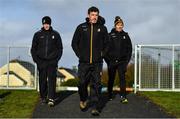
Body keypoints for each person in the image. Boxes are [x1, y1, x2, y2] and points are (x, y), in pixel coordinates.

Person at [71, 6, 109, 116]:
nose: (94, 17)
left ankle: (95, 107)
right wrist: (80, 55)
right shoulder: (81, 27)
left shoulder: (102, 28)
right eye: (92, 15)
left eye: (96, 15)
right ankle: (83, 99)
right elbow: (74, 43)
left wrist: (102, 54)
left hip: (97, 63)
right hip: (84, 62)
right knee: (82, 83)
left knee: (96, 85)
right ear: (88, 15)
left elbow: (107, 44)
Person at [31, 16, 63, 107]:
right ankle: (43, 97)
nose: (46, 25)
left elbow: (60, 48)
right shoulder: (37, 34)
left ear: (50, 24)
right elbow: (33, 49)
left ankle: (51, 98)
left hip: (52, 61)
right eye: (44, 24)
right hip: (41, 62)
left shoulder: (55, 34)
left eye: (47, 24)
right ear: (42, 24)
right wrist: (37, 60)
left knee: (52, 79)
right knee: (42, 80)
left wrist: (56, 60)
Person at [105, 16, 132, 103]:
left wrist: (126, 62)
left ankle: (123, 96)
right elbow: (105, 50)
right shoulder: (109, 35)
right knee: (111, 79)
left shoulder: (126, 36)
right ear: (115, 25)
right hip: (111, 62)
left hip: (122, 62)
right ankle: (109, 94)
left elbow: (129, 49)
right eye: (118, 25)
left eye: (121, 25)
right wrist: (108, 61)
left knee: (122, 79)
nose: (120, 26)